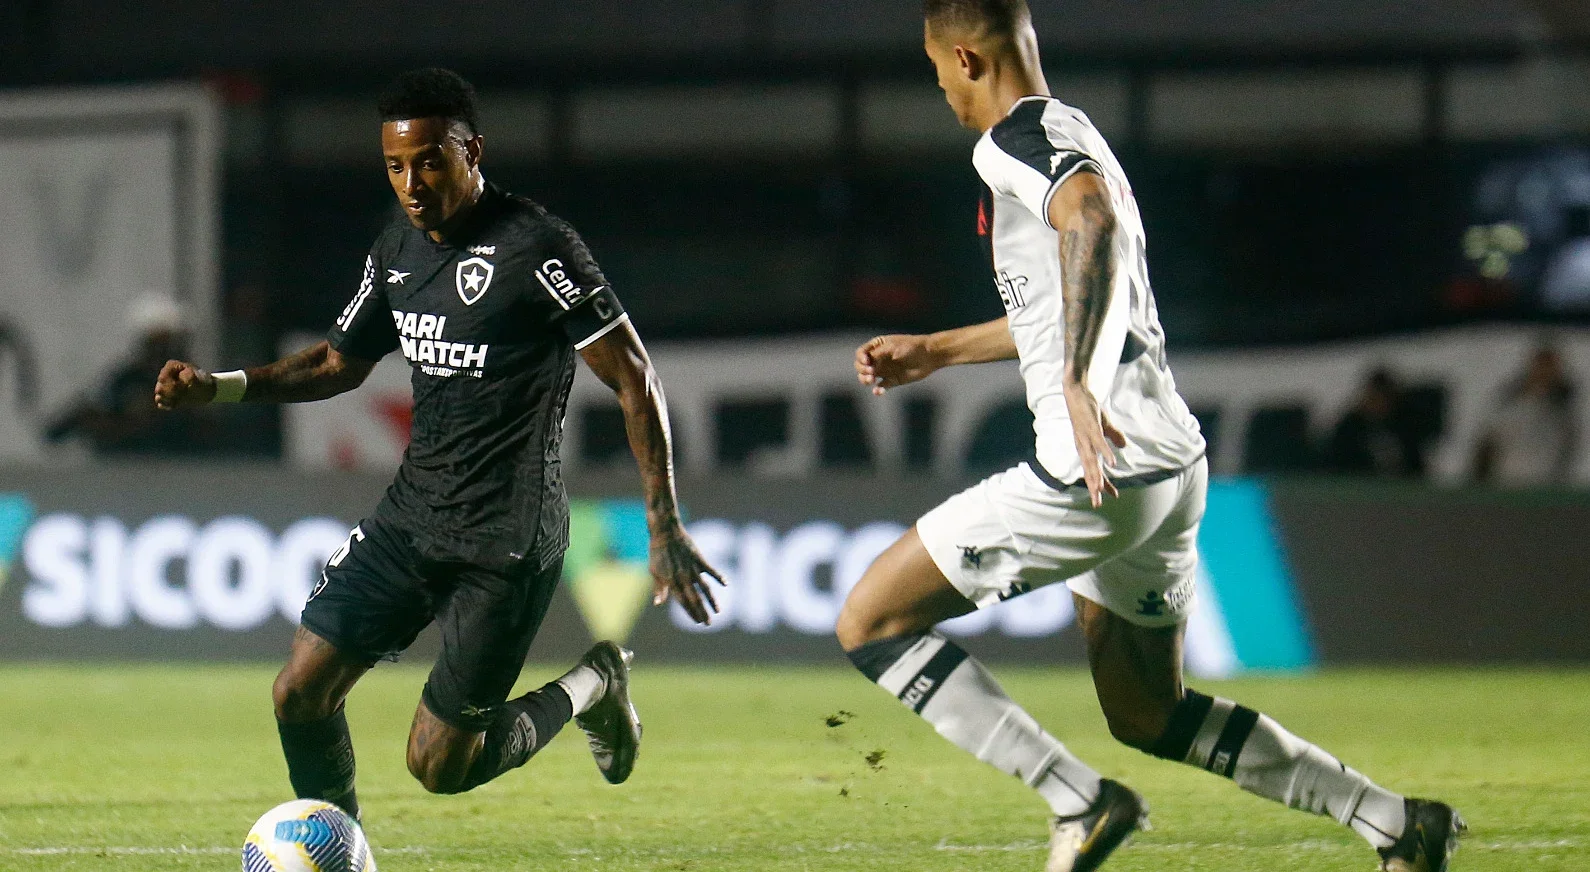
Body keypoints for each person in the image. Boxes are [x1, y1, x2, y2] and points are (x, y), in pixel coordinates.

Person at [833, 4, 1464, 871]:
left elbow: (1090, 223)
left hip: (1095, 470)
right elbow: (1069, 290)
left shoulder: (1010, 142)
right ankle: (1395, 820)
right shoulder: (1073, 129)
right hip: (1168, 465)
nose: (940, 88)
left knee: (871, 619)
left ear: (968, 59)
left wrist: (1080, 384)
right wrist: (938, 350)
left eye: (937, 68)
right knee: (1147, 714)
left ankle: (1079, 802)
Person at [154, 68, 723, 818]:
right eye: (395, 165)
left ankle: (593, 683)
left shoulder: (536, 249)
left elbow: (634, 379)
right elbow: (334, 364)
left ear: (473, 150)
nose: (412, 182)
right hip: (412, 519)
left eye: (429, 159)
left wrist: (663, 522)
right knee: (298, 693)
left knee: (440, 767)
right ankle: (340, 854)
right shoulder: (398, 251)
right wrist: (220, 386)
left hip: (506, 540)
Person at [47, 295, 212, 456]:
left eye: (171, 343)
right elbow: (62, 429)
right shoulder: (127, 380)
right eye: (159, 343)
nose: (165, 351)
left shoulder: (191, 382)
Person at [1473, 344, 1579, 486]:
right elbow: (1488, 442)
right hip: (1504, 484)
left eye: (1550, 367)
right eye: (1541, 366)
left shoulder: (1565, 410)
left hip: (1544, 487)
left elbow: (1568, 449)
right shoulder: (1510, 404)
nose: (1544, 373)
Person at [1324, 367, 1426, 478]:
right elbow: (1341, 465)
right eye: (1374, 397)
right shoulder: (1350, 427)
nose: (1379, 404)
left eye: (1384, 398)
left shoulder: (1405, 426)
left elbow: (1416, 466)